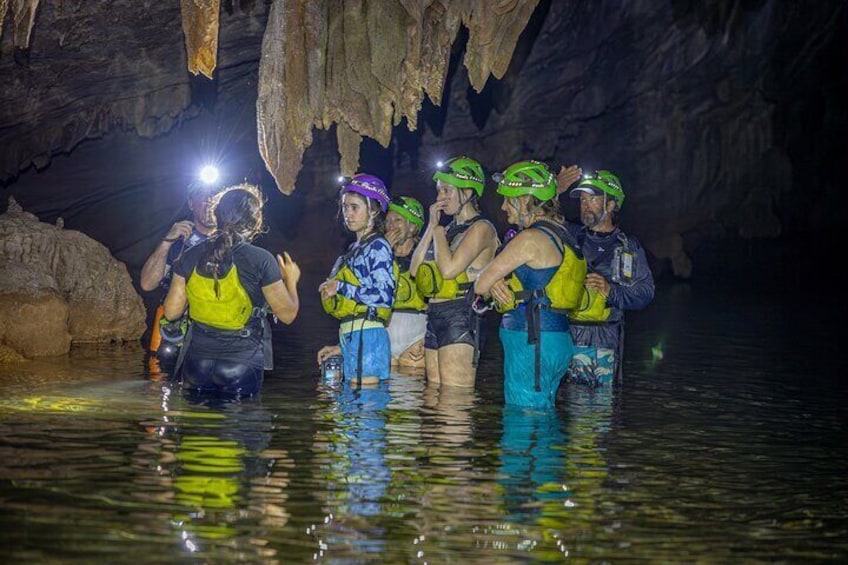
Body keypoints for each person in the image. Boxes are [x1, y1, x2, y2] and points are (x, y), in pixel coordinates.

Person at [162, 184, 300, 397]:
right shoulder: (261, 260)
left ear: (216, 215)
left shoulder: (190, 255)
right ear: (256, 222)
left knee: (197, 427)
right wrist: (291, 280)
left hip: (197, 363)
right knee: (240, 427)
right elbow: (288, 314)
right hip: (241, 362)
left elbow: (171, 313)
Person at [475, 160, 586, 409]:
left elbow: (481, 283)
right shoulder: (562, 232)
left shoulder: (529, 239)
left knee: (523, 420)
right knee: (542, 416)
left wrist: (492, 282)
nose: (503, 207)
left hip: (531, 342)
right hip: (555, 338)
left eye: (508, 199)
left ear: (525, 200)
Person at [410, 156, 499, 387]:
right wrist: (431, 226)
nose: (440, 198)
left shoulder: (482, 228)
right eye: (439, 191)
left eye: (447, 191)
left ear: (467, 192)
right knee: (433, 397)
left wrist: (438, 232)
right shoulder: (445, 229)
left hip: (461, 315)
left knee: (453, 401)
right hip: (435, 313)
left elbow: (449, 270)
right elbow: (414, 269)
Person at [561, 168, 655, 387]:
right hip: (566, 333)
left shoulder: (627, 246)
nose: (585, 205)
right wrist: (556, 191)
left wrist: (611, 291)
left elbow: (645, 292)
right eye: (583, 200)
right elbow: (537, 222)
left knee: (599, 410)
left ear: (611, 205)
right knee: (566, 406)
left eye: (593, 199)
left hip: (605, 337)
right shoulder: (568, 235)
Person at [317, 174, 396, 385]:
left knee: (365, 407)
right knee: (349, 410)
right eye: (345, 207)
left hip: (368, 337)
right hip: (352, 333)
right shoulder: (354, 249)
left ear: (374, 209)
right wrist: (340, 347)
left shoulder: (378, 247)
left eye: (354, 207)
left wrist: (340, 287)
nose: (348, 214)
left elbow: (384, 296)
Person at [140, 177, 219, 366]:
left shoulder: (231, 244)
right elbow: (147, 283)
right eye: (203, 195)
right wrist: (167, 241)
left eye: (214, 196)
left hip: (216, 328)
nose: (209, 200)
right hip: (179, 328)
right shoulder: (179, 244)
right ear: (191, 203)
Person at [385, 196, 427, 370]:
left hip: (416, 332)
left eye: (398, 220)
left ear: (413, 226)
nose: (391, 225)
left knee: (410, 393)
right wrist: (383, 250)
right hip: (384, 330)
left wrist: (431, 338)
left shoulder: (427, 254)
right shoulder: (375, 254)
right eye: (387, 221)